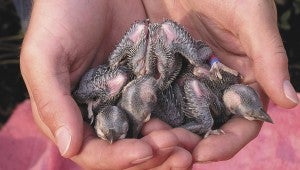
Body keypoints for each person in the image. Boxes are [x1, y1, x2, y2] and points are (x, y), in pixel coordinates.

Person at [20, 0, 299, 169]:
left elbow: (193, 58)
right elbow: (133, 52)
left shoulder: (181, 72)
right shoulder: (124, 77)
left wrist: (209, 66)